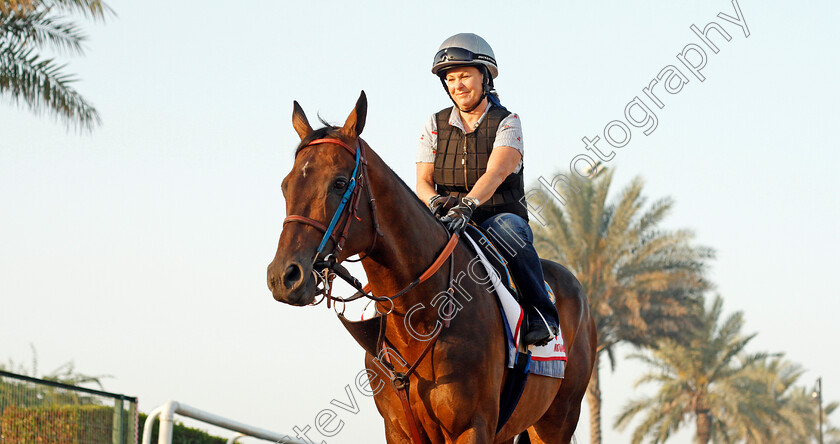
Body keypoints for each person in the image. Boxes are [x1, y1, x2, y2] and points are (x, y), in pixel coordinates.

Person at [415, 33, 560, 346]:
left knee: (508, 231)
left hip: (496, 216)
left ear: (485, 77)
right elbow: (422, 182)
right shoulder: (435, 124)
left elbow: (496, 172)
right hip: (448, 218)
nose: (458, 85)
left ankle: (542, 314)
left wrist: (467, 206)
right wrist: (436, 202)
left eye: (465, 76)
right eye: (451, 79)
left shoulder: (508, 122)